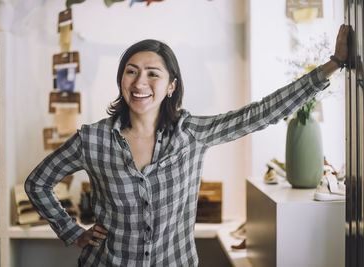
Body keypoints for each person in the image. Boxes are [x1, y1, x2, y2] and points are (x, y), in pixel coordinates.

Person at [25, 24, 349, 266]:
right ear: (121, 79)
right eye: (131, 72)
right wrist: (72, 231)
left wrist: (333, 64)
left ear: (171, 86)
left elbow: (260, 114)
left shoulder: (193, 134)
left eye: (153, 74)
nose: (140, 83)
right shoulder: (92, 139)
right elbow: (38, 183)